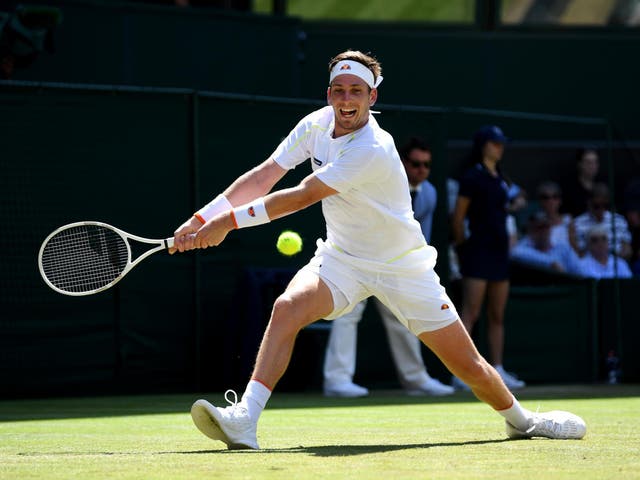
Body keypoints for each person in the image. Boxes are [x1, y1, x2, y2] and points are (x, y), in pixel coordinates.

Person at [172, 50, 586, 450]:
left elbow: (301, 195)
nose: (346, 99)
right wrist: (202, 217)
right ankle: (245, 419)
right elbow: (266, 175)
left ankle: (523, 422)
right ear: (328, 93)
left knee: (469, 367)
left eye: (356, 90)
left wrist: (227, 223)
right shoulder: (315, 125)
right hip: (342, 259)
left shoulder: (372, 147)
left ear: (372, 97)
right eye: (338, 89)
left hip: (404, 267)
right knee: (287, 308)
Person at [323, 137, 454, 398]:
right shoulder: (382, 183)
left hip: (394, 263)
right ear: (402, 163)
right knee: (347, 314)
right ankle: (337, 380)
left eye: (426, 165)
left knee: (402, 318)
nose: (421, 170)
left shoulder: (428, 193)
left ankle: (416, 379)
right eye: (416, 164)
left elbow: (419, 234)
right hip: (358, 257)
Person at [450, 125, 525, 391]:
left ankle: (498, 369)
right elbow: (458, 218)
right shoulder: (472, 177)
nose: (500, 148)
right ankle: (459, 372)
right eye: (495, 143)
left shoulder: (501, 179)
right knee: (470, 313)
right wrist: (463, 249)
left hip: (499, 254)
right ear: (484, 146)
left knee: (497, 315)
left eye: (501, 143)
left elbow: (516, 200)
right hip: (477, 254)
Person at [571, 183, 632, 260]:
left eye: (605, 205)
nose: (601, 210)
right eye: (596, 206)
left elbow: (627, 249)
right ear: (589, 203)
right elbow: (577, 253)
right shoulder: (577, 224)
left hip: (616, 264)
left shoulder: (618, 220)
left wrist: (614, 260)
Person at [511, 211, 583, 275]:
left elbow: (579, 272)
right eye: (539, 228)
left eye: (546, 227)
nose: (543, 231)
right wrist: (550, 263)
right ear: (530, 230)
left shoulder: (562, 248)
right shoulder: (523, 247)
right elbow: (515, 252)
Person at [562, 147, 601, 217]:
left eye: (595, 162)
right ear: (579, 164)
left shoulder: (604, 185)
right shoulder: (569, 188)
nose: (592, 166)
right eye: (588, 162)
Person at [535, 181, 574, 248]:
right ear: (540, 201)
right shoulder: (536, 221)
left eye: (555, 197)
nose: (550, 201)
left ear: (560, 200)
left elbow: (573, 247)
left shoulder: (568, 220)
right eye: (545, 197)